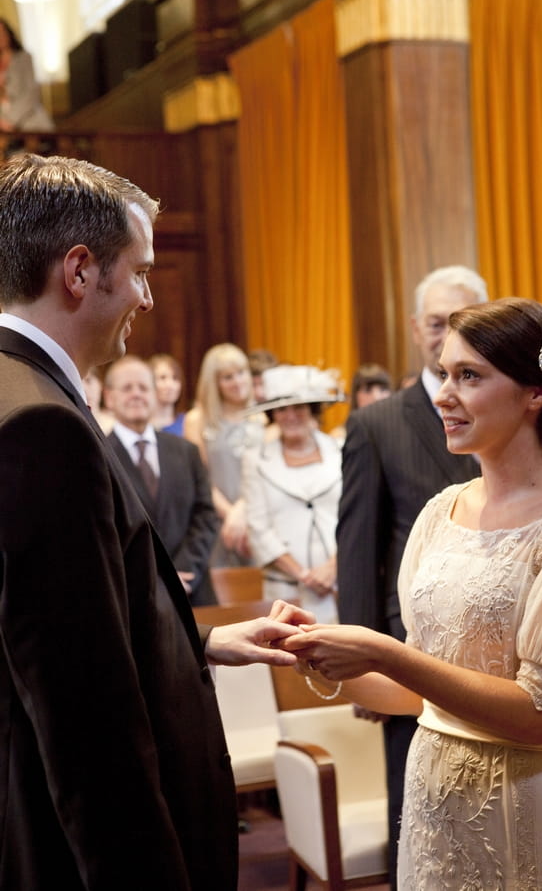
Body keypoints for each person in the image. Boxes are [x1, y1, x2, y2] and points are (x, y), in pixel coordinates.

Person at [0, 153, 311, 890]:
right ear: (79, 271)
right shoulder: (43, 422)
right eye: (138, 273)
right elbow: (83, 716)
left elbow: (53, 627)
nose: (146, 298)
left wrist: (197, 641)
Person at [284, 298, 542, 889]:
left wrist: (384, 652)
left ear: (536, 392)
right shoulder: (438, 514)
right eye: (445, 374)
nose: (443, 395)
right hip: (432, 801)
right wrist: (310, 647)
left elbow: (537, 717)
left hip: (525, 803)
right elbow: (419, 694)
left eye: (470, 376)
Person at [336, 265, 488, 888]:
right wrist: (364, 660)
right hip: (410, 659)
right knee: (422, 830)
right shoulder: (378, 425)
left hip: (500, 657)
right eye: (436, 323)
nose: (448, 334)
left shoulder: (507, 408)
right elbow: (357, 552)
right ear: (414, 329)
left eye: (463, 320)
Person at [105, 355, 219, 605]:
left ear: (156, 396)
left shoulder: (186, 451)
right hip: (134, 597)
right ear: (109, 397)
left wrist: (184, 570)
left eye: (144, 387)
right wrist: (156, 578)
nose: (136, 394)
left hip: (194, 590)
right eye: (127, 388)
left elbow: (206, 515)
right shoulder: (99, 455)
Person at [242, 365, 343, 623]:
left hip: (341, 583)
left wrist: (332, 567)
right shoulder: (256, 460)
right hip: (287, 590)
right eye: (282, 409)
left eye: (299, 407)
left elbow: (356, 518)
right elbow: (259, 528)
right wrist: (304, 574)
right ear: (272, 414)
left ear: (313, 410)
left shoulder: (341, 451)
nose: (290, 416)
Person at [184, 343, 265, 566]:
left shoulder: (263, 419)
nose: (238, 382)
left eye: (241, 373)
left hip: (256, 520)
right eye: (228, 377)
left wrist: (242, 511)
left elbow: (264, 476)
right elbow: (200, 478)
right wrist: (230, 515)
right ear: (214, 383)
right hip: (217, 523)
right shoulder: (197, 420)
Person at [0, 18, 54, 134]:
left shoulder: (24, 58)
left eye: (3, 32)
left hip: (29, 121)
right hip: (4, 128)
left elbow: (31, 92)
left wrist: (11, 120)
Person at [330, 362, 393, 445]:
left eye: (383, 390)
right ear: (355, 395)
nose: (376, 397)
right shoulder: (340, 435)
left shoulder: (399, 432)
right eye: (367, 390)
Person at [148, 351, 186, 435]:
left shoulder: (188, 423)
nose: (170, 385)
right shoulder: (139, 424)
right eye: (162, 378)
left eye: (175, 378)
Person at [82, 365, 115, 434]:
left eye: (88, 381)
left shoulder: (117, 424)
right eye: (79, 383)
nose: (84, 389)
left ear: (100, 384)